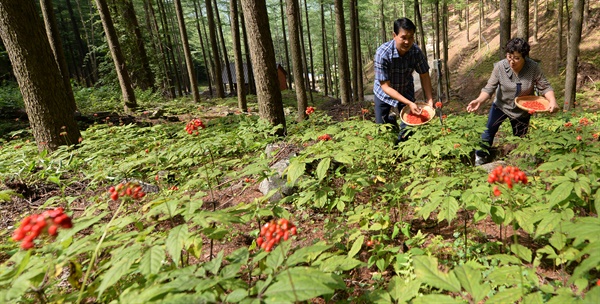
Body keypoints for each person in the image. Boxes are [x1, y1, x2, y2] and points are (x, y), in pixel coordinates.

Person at [466, 38, 558, 166]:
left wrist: (552, 100)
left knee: (520, 139)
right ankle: (480, 158)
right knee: (488, 132)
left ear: (524, 57)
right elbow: (489, 88)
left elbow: (545, 87)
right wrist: (479, 100)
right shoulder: (500, 67)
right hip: (501, 106)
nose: (512, 61)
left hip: (522, 109)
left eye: (516, 58)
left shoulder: (533, 68)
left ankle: (521, 163)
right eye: (509, 56)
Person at [373, 17, 434, 143]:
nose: (407, 42)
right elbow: (385, 87)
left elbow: (424, 75)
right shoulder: (382, 54)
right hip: (383, 93)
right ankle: (391, 121)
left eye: (411, 37)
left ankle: (401, 149)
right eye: (404, 37)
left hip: (405, 88)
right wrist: (410, 103)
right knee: (381, 126)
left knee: (408, 128)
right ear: (394, 35)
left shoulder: (415, 52)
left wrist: (430, 100)